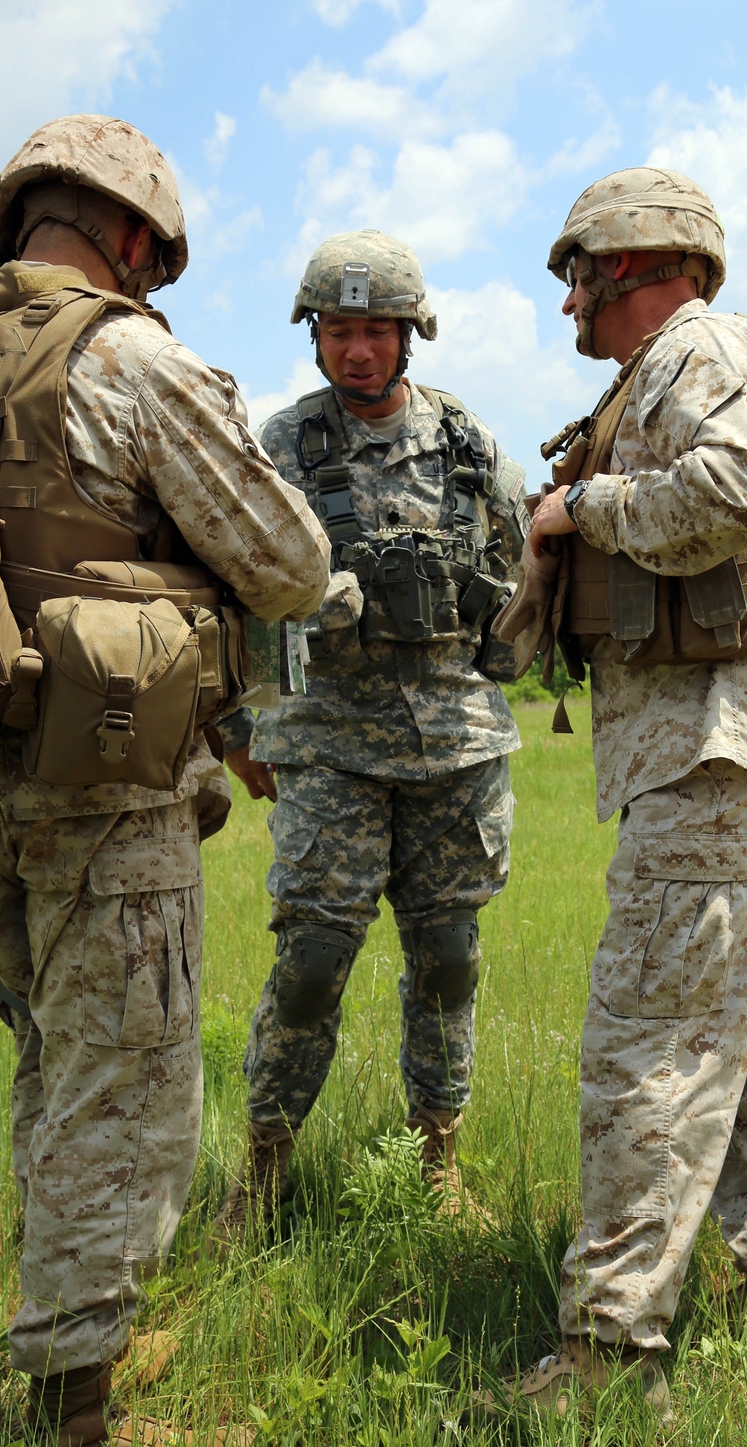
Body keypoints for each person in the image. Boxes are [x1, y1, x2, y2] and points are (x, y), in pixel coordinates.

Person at [0, 115, 329, 1447]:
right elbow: (287, 561)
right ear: (132, 239)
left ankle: (77, 1336)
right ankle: (80, 1430)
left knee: (56, 1077)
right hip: (103, 786)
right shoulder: (126, 353)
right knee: (122, 1098)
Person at [513, 168, 747, 1420]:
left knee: (647, 1050)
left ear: (627, 263)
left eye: (575, 276)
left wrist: (578, 508)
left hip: (715, 750)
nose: (568, 303)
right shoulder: (673, 362)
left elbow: (732, 488)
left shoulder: (700, 348)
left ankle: (607, 1357)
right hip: (724, 749)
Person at [213, 229, 525, 1243]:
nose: (357, 351)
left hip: (455, 745)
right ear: (316, 337)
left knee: (448, 962)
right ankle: (261, 1170)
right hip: (329, 742)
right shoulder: (282, 445)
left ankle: (438, 1160)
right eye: (339, 330)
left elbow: (518, 581)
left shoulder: (470, 445)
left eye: (376, 331)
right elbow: (238, 590)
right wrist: (244, 720)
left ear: (408, 335)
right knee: (310, 961)